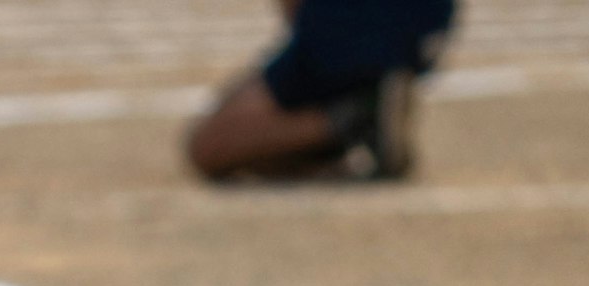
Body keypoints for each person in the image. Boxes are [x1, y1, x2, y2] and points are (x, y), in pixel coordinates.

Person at [186, 0, 457, 182]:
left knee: (207, 147)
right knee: (269, 156)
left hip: (353, 23)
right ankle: (356, 123)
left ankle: (355, 120)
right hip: (428, 23)